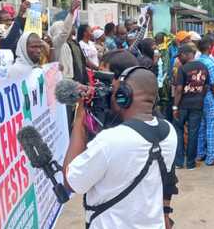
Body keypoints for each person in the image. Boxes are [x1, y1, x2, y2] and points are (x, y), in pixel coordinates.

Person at [63, 67, 177, 229]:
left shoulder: (110, 141)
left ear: (125, 95)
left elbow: (71, 182)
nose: (112, 96)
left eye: (115, 91)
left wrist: (80, 115)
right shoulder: (169, 132)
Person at [173, 44, 208, 170]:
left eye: (180, 56)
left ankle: (179, 162)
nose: (179, 59)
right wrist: (200, 97)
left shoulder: (183, 69)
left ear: (185, 54)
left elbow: (178, 89)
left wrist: (175, 107)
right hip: (198, 104)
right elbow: (206, 86)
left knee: (179, 131)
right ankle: (191, 164)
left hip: (183, 104)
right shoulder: (204, 67)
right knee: (193, 133)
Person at [197, 37, 214, 166]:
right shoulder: (210, 63)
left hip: (198, 97)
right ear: (209, 48)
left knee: (201, 126)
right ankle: (211, 158)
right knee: (212, 127)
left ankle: (200, 154)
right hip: (209, 97)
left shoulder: (197, 61)